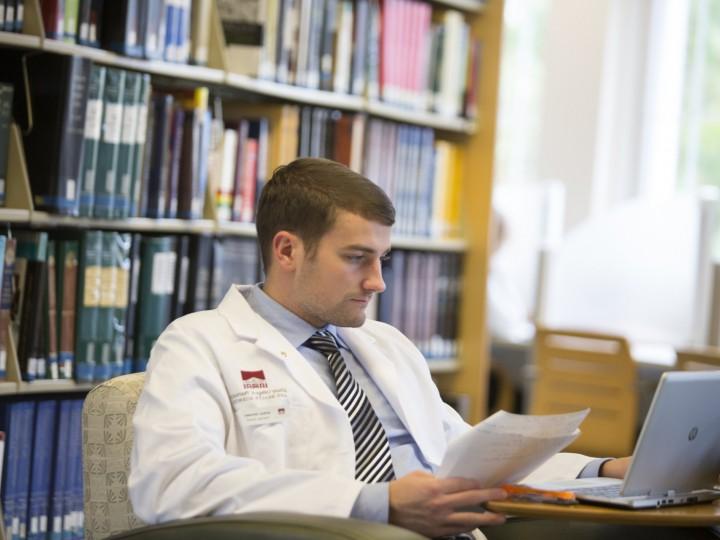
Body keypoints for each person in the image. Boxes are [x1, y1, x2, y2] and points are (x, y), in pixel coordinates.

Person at [128, 158, 629, 539]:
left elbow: (463, 451)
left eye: (382, 259)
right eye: (356, 258)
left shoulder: (385, 344)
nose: (378, 282)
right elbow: (174, 484)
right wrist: (377, 504)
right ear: (286, 250)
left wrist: (601, 471)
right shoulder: (198, 344)